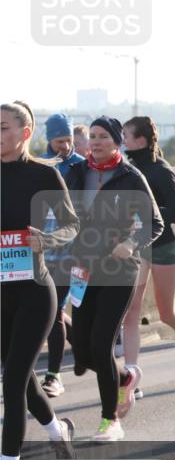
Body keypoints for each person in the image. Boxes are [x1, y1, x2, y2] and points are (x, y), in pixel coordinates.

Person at [64, 116, 164, 441]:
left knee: (102, 344)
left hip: (119, 271)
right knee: (81, 350)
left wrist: (131, 243)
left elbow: (155, 223)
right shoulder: (77, 173)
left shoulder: (131, 177)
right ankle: (124, 378)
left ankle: (111, 421)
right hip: (84, 268)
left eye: (103, 136)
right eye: (92, 136)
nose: (95, 141)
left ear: (117, 141)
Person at [1, 102, 79, 460]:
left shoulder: (43, 174)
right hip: (0, 295)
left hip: (34, 290)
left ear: (25, 132)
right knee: (22, 380)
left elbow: (70, 225)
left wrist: (44, 240)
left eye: (2, 128)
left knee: (12, 383)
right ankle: (58, 434)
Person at [120, 116, 175, 382]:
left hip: (165, 246)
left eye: (126, 135)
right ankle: (132, 377)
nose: (122, 140)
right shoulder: (127, 168)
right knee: (131, 310)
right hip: (137, 246)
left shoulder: (161, 170)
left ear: (141, 140)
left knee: (166, 312)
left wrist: (149, 214)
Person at [40, 113, 85, 398]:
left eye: (69, 140)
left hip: (75, 251)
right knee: (49, 312)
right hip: (41, 251)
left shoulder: (83, 167)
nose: (66, 146)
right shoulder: (38, 166)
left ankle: (54, 375)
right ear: (48, 140)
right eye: (60, 141)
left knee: (56, 312)